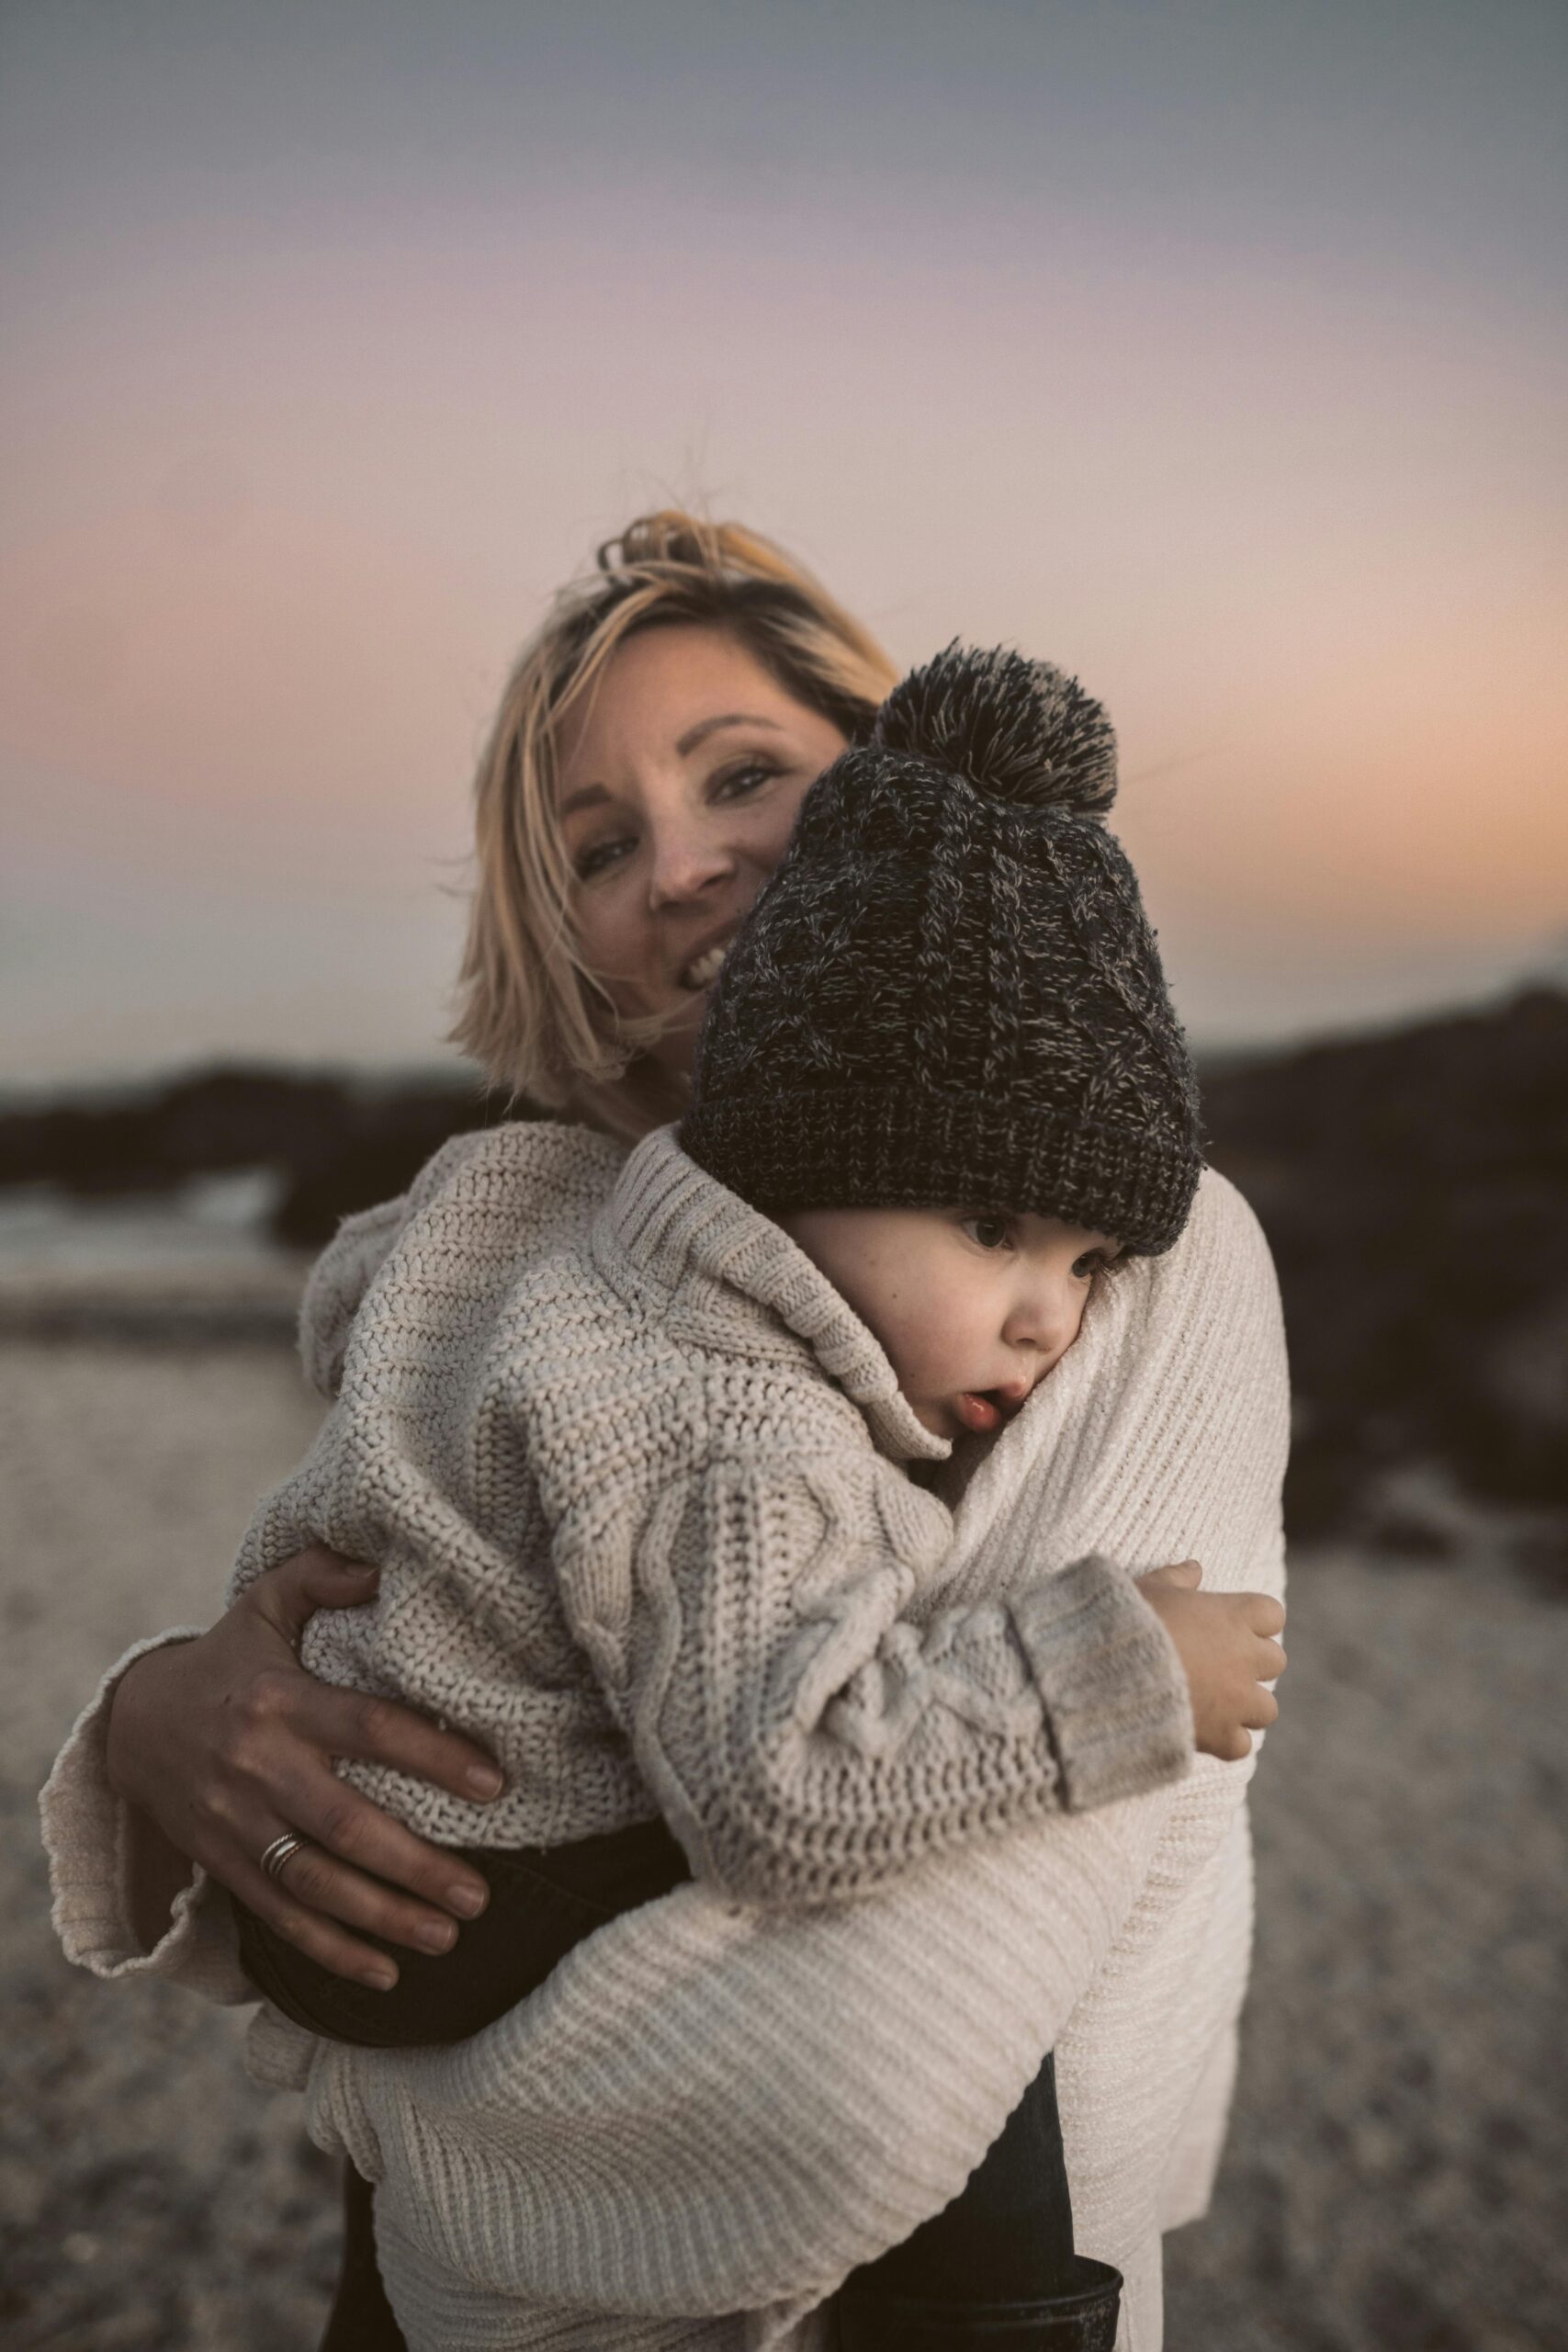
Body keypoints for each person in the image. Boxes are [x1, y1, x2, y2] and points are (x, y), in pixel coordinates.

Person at [42, 516, 1291, 2348]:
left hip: (895, 2244)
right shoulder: (564, 1267)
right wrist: (160, 1703)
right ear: (565, 931)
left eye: (744, 777)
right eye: (601, 845)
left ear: (901, 794)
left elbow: (901, 1997)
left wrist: (421, 2091)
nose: (685, 866)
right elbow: (402, 1598)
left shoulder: (1142, 1245)